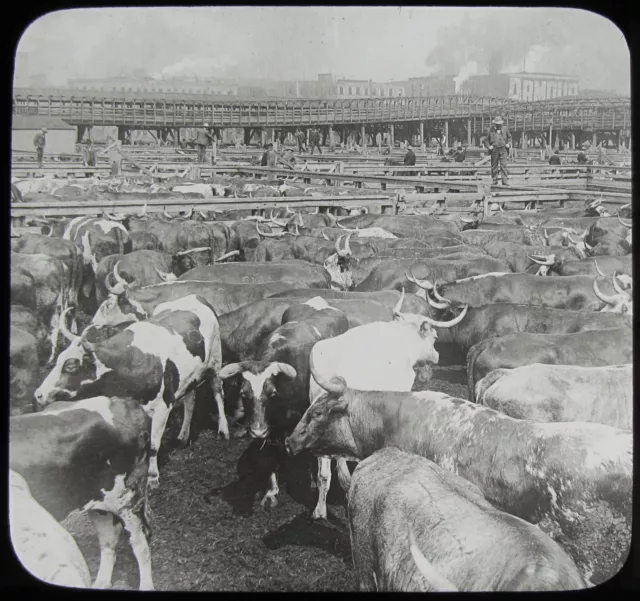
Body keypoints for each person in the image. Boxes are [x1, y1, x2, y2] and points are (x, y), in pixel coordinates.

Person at [487, 116, 512, 186]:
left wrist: (508, 144)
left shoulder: (505, 129)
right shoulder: (490, 130)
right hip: (494, 149)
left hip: (503, 149)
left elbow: (510, 137)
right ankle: (494, 181)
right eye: (497, 124)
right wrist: (489, 146)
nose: (498, 125)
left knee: (503, 165)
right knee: (494, 166)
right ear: (494, 124)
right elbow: (485, 140)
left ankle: (505, 181)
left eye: (499, 124)